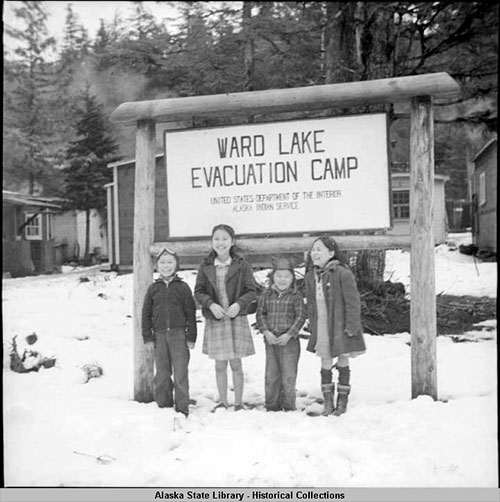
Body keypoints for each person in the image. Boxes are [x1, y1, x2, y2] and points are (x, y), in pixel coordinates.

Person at [194, 224, 256, 411]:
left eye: (224, 239)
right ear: (212, 242)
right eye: (216, 239)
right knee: (220, 365)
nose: (220, 243)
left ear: (232, 242)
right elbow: (199, 291)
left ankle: (238, 403)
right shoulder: (205, 266)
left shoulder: (241, 265)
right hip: (217, 318)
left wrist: (239, 305)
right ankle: (223, 401)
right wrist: (211, 305)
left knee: (236, 363)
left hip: (235, 318)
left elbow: (251, 290)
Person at [304, 237, 366, 416]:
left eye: (319, 249)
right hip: (322, 323)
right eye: (313, 249)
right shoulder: (310, 276)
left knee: (343, 358)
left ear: (331, 254)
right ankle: (328, 400)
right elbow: (310, 303)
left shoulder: (342, 273)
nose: (314, 253)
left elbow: (353, 302)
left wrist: (352, 326)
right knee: (325, 359)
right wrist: (312, 323)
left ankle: (342, 399)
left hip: (341, 324)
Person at [142, 248, 197, 417]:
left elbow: (191, 313)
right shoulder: (153, 289)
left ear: (176, 265)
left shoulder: (183, 287)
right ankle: (164, 406)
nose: (166, 266)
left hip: (178, 335)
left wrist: (191, 336)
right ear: (157, 266)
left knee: (180, 372)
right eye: (162, 263)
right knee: (163, 372)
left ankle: (182, 407)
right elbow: (146, 314)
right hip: (159, 336)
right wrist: (148, 337)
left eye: (170, 262)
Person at [256, 256, 306, 411]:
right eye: (279, 276)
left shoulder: (295, 296)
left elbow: (300, 316)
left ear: (292, 278)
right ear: (272, 278)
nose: (282, 280)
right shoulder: (266, 295)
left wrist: (289, 334)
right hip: (271, 340)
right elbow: (260, 314)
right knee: (272, 374)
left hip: (289, 341)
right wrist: (266, 331)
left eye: (286, 276)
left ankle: (289, 405)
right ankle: (272, 405)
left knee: (288, 375)